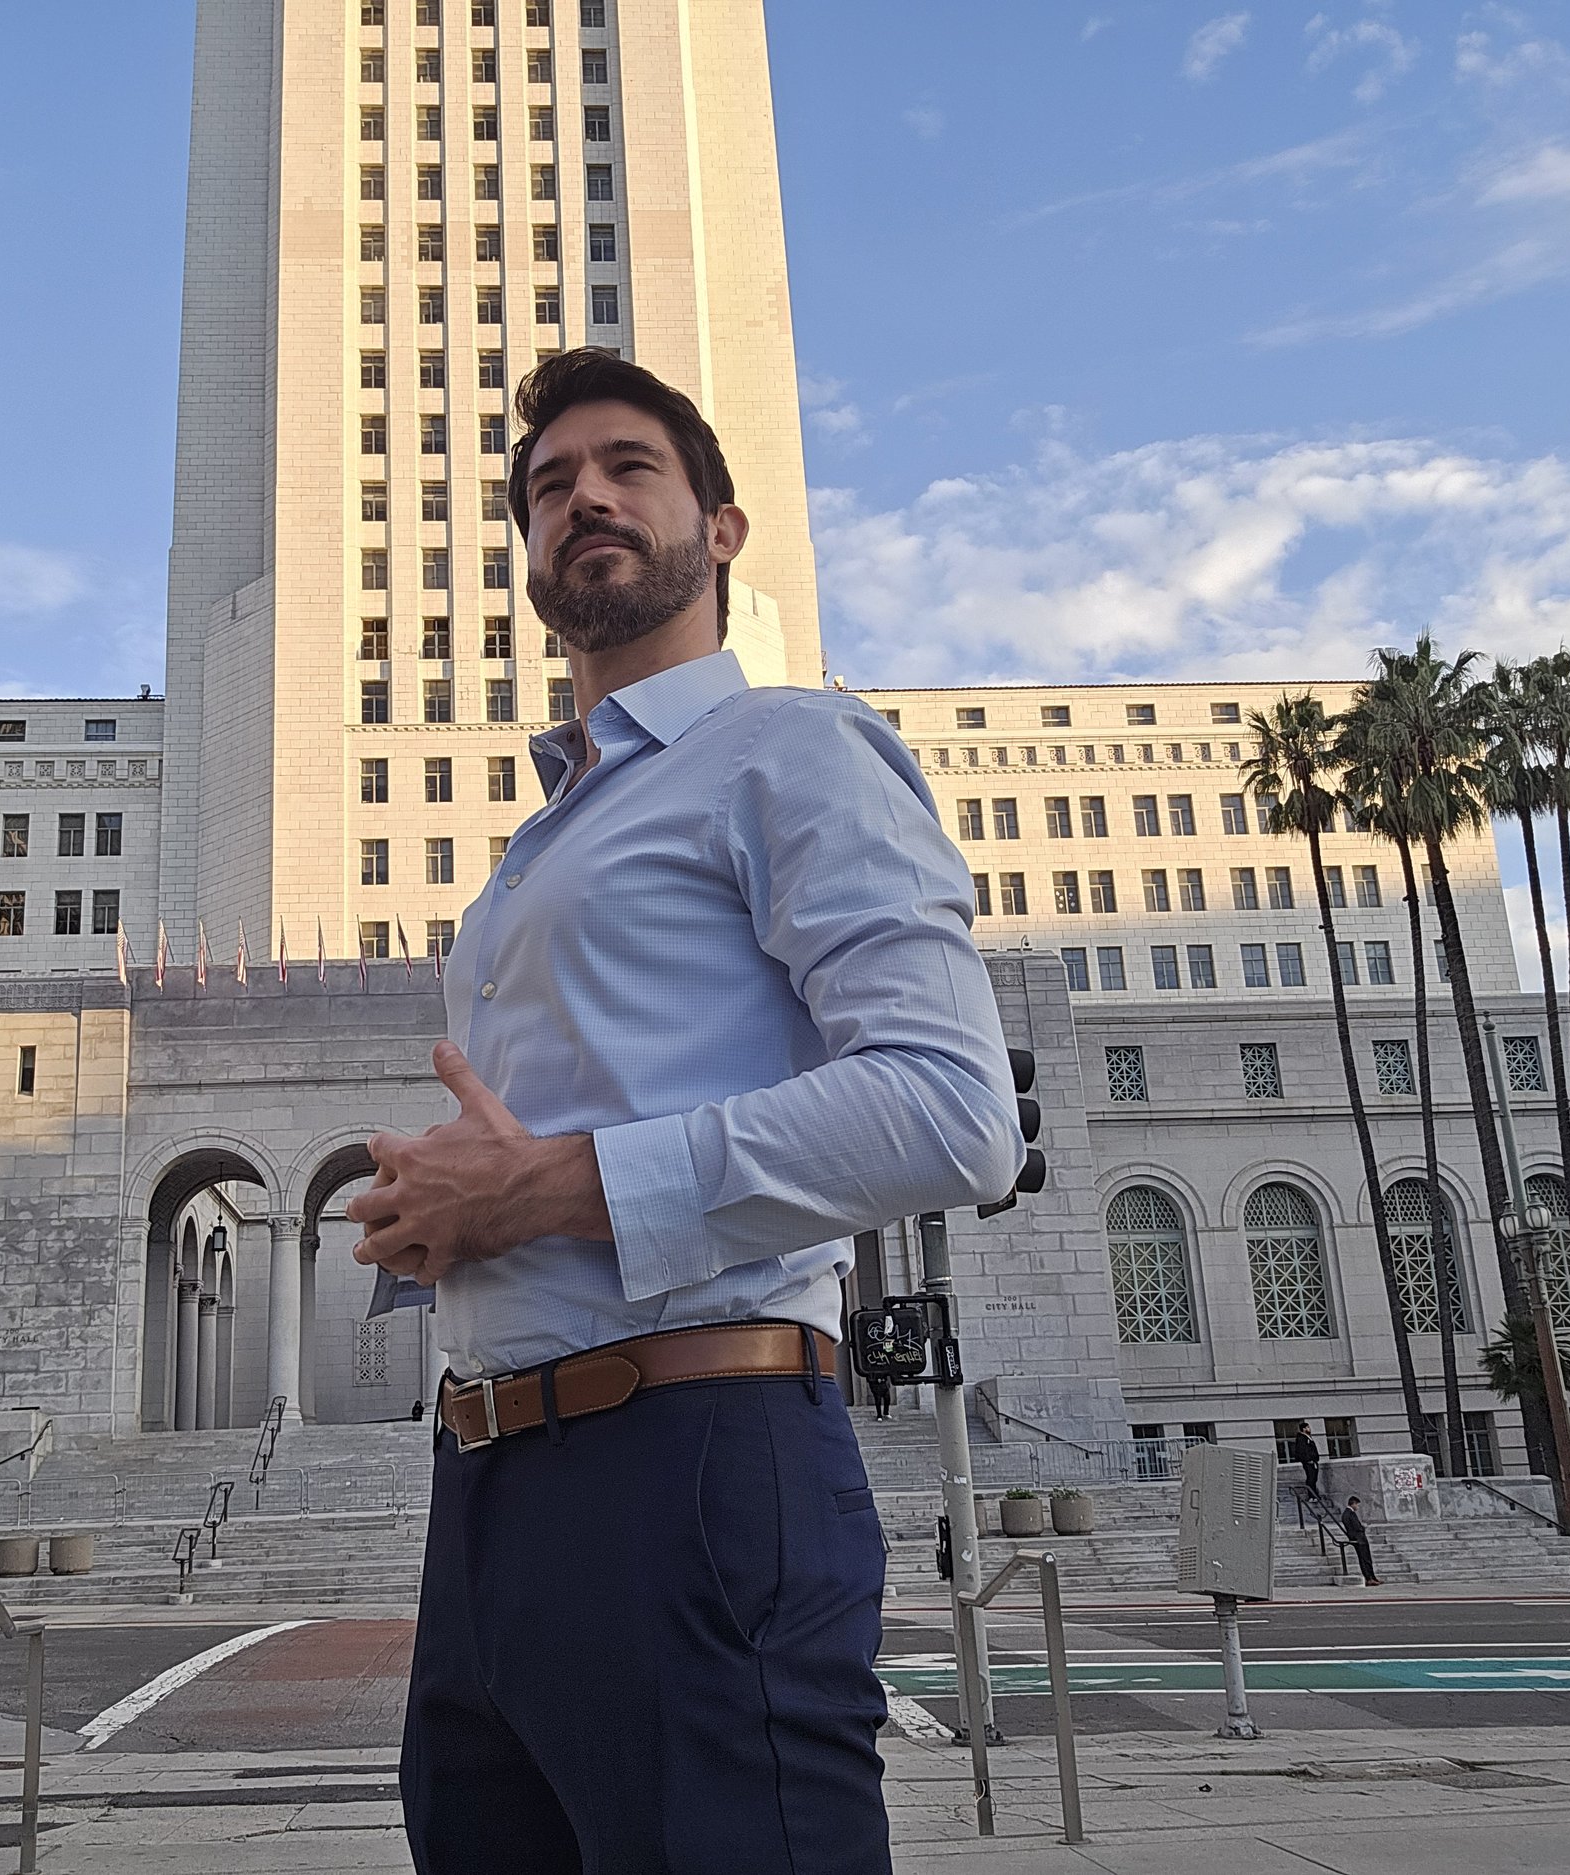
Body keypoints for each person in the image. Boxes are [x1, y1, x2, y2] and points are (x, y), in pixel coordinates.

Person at [345, 348, 1024, 1875]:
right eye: (543, 485)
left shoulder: (792, 748)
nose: (578, 493)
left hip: (696, 1461)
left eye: (624, 467)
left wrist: (544, 1189)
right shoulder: (541, 842)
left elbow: (952, 1108)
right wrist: (443, 1217)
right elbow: (555, 1153)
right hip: (485, 1494)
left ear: (719, 527)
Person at [1340, 1495, 1382, 1586]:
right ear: (1353, 1504)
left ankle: (1372, 1576)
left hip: (1360, 1538)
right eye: (1357, 1505)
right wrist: (1360, 1531)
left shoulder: (1350, 1513)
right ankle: (1368, 1578)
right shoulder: (1347, 1514)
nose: (1357, 1507)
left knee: (1367, 1558)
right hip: (1358, 1539)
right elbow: (1352, 1527)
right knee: (1363, 1559)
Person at [1293, 1424, 1323, 1501]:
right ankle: (1312, 1495)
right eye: (1307, 1427)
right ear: (1304, 1429)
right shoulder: (1302, 1438)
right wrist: (1308, 1459)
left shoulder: (1308, 1437)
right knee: (1311, 1478)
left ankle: (1314, 1494)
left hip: (1313, 1461)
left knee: (1314, 1478)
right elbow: (1303, 1450)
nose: (1309, 1429)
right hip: (1309, 1461)